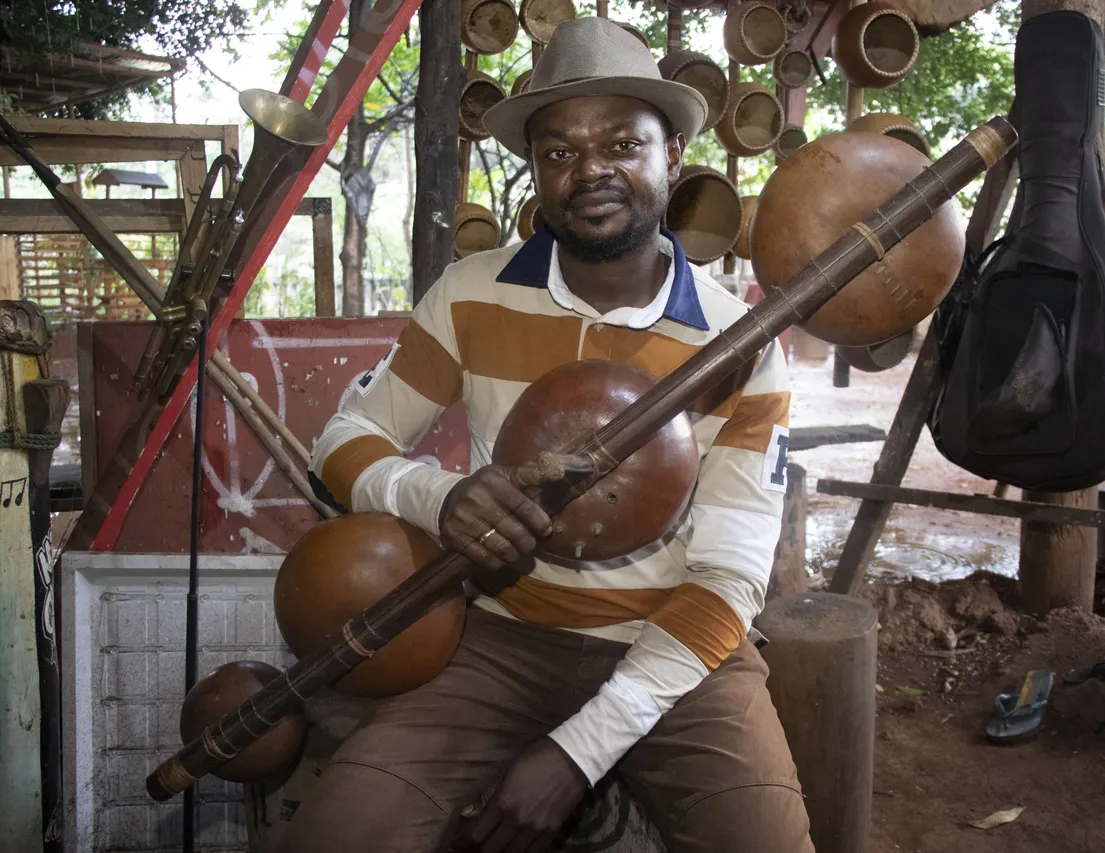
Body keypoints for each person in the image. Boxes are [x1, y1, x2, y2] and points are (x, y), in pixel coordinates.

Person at [287, 16, 812, 853]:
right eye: (560, 150)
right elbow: (344, 438)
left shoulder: (740, 342)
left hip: (676, 650)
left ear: (673, 156)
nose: (591, 169)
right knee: (337, 836)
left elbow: (729, 578)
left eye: (623, 144)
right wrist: (439, 498)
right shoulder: (471, 293)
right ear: (535, 169)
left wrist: (577, 753)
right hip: (500, 635)